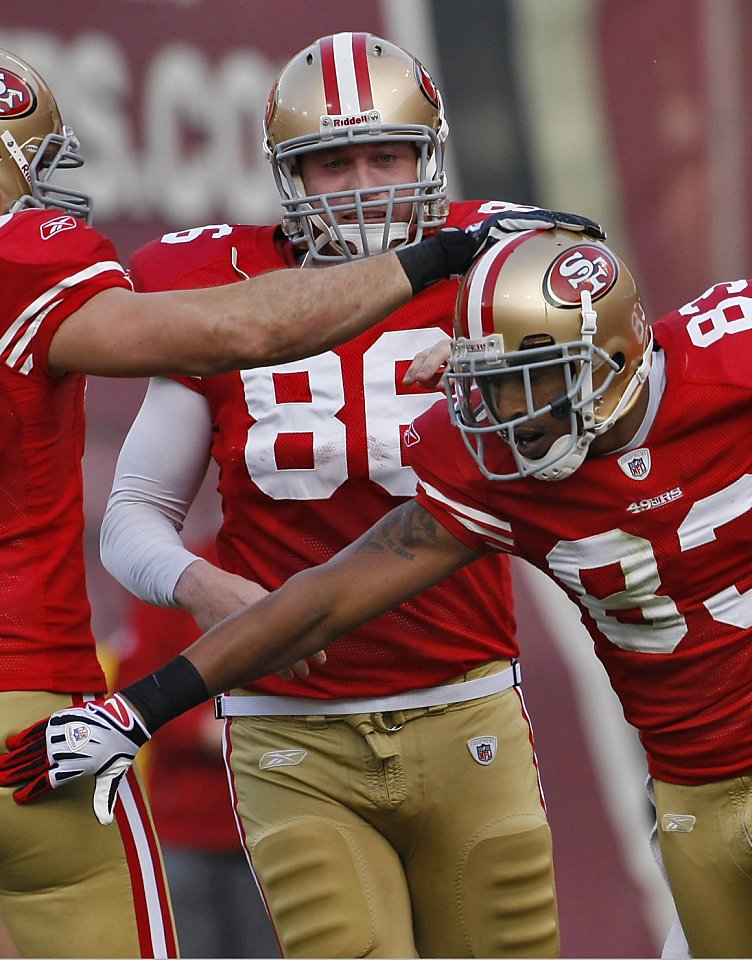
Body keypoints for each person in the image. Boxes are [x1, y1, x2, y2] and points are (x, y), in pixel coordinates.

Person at [2, 225, 747, 959]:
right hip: (695, 789)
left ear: (612, 359)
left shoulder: (730, 357)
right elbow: (326, 598)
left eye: (531, 379)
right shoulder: (499, 468)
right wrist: (137, 709)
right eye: (490, 380)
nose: (505, 410)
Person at [0, 45, 562, 959]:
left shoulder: (497, 272)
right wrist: (203, 587)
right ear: (283, 171)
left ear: (430, 156)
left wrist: (499, 380)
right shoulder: (214, 276)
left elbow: (596, 451)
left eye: (387, 156)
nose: (362, 185)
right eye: (331, 161)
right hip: (289, 727)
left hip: (466, 699)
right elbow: (140, 506)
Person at [110, 538, 281, 959]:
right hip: (187, 827)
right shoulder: (184, 574)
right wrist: (208, 729)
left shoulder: (297, 565)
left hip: (276, 824)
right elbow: (131, 697)